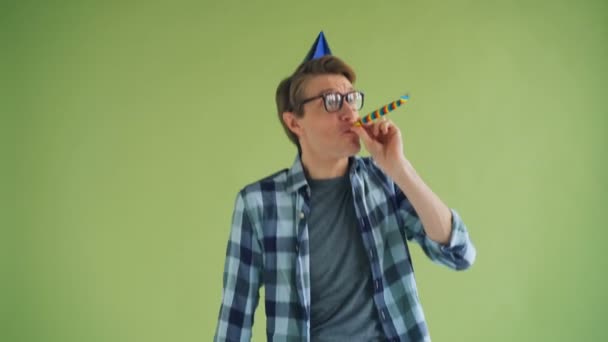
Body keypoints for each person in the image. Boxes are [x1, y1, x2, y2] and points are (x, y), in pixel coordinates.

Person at [214, 32, 476, 342]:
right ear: (295, 123)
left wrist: (399, 168)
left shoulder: (384, 180)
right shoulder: (258, 204)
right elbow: (235, 316)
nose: (350, 111)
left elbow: (459, 253)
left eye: (351, 97)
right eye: (331, 101)